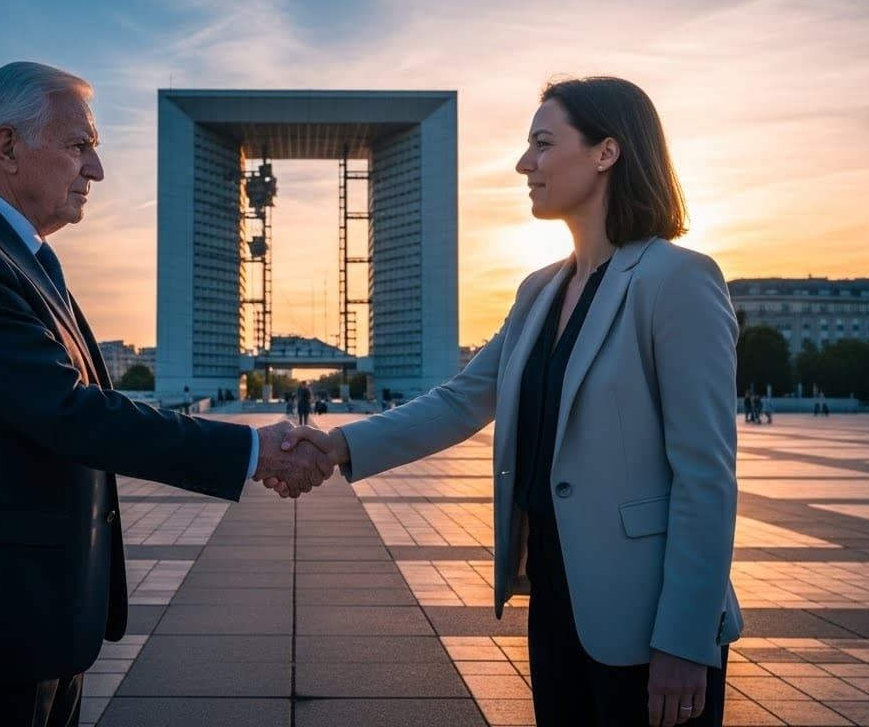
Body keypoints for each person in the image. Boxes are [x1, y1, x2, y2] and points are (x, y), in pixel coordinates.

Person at [274, 76, 740, 726]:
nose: (525, 164)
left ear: (606, 152)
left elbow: (705, 474)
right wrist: (338, 444)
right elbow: (463, 400)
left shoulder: (677, 279)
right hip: (554, 597)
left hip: (647, 614)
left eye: (542, 143)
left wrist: (686, 640)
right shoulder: (539, 290)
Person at [0, 61, 331, 727]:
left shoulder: (17, 256)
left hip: (36, 616)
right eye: (79, 145)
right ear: (8, 147)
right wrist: (250, 451)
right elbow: (68, 412)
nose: (96, 170)